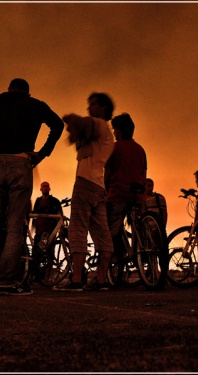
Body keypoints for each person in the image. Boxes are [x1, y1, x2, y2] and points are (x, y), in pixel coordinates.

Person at [0, 78, 64, 295]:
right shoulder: (35, 105)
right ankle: (8, 281)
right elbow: (58, 124)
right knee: (15, 224)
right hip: (21, 162)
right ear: (27, 92)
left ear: (9, 89)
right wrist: (42, 153)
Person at [55, 93, 115, 292]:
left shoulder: (98, 124)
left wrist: (67, 117)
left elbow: (81, 124)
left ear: (104, 108)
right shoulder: (107, 134)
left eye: (94, 104)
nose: (89, 108)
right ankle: (101, 280)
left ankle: (77, 279)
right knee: (102, 232)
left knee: (78, 230)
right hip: (99, 186)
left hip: (85, 183)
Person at [104, 113, 147, 285]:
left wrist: (105, 190)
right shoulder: (140, 149)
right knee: (140, 228)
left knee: (110, 231)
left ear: (119, 131)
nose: (114, 132)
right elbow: (144, 173)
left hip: (118, 194)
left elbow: (107, 173)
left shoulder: (114, 148)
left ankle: (116, 258)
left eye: (115, 129)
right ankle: (143, 257)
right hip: (138, 196)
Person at [31, 181, 63, 281]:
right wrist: (33, 228)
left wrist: (61, 228)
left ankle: (47, 277)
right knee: (35, 254)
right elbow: (34, 216)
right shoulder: (38, 201)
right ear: (41, 189)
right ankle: (34, 276)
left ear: (49, 188)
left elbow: (60, 215)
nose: (45, 188)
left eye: (47, 186)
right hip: (39, 231)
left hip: (50, 231)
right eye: (43, 186)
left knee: (50, 254)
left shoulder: (55, 201)